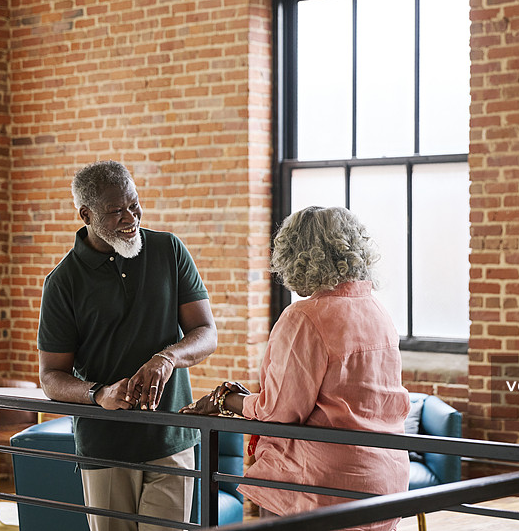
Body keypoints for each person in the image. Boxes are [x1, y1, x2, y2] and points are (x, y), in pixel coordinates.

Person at [181, 206, 410, 531]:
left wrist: (225, 401)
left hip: (319, 486)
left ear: (299, 257)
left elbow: (280, 411)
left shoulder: (304, 317)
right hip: (385, 480)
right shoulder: (379, 312)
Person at [37, 160, 217, 531]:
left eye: (134, 204)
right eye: (116, 210)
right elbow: (51, 377)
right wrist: (98, 393)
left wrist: (168, 358)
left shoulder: (169, 250)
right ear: (86, 215)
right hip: (105, 446)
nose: (130, 217)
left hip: (172, 437)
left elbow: (205, 332)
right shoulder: (62, 282)